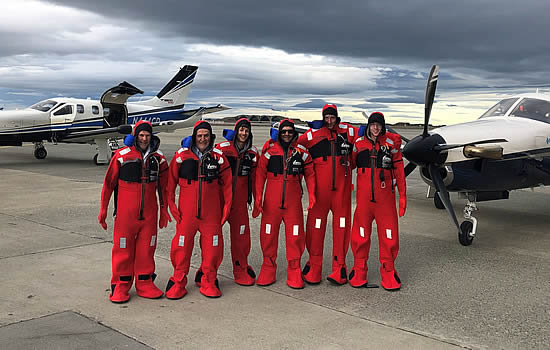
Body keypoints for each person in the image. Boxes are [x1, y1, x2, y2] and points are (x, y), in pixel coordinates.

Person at [98, 120, 171, 303]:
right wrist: (103, 210)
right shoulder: (122, 155)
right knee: (123, 250)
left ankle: (145, 283)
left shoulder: (159, 158)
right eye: (141, 135)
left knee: (147, 249)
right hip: (125, 215)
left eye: (147, 135)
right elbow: (108, 185)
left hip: (149, 214)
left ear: (151, 136)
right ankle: (121, 286)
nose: (144, 139)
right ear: (135, 136)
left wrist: (164, 210)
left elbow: (165, 187)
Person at [165, 120, 232, 298]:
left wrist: (226, 208)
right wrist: (171, 206)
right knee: (182, 246)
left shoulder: (219, 157)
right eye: (199, 136)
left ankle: (209, 280)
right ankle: (178, 281)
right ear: (194, 137)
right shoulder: (181, 156)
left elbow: (228, 186)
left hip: (211, 214)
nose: (203, 139)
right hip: (187, 214)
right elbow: (169, 184)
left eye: (206, 136)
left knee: (213, 247)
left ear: (211, 137)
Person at [298, 104, 358, 285]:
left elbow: (371, 132)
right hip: (320, 195)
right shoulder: (312, 135)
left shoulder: (348, 132)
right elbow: (292, 143)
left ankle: (339, 268)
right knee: (316, 229)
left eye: (332, 118)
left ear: (337, 117)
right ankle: (314, 266)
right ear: (323, 118)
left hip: (341, 194)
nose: (330, 121)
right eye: (327, 118)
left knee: (341, 228)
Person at [252, 119, 316, 289]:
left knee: (295, 235)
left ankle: (294, 269)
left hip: (292, 204)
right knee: (268, 234)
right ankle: (268, 266)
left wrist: (312, 196)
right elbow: (260, 174)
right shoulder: (269, 151)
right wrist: (258, 197)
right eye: (284, 131)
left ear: (294, 133)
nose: (286, 134)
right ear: (279, 133)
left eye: (289, 131)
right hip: (271, 204)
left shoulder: (301, 152)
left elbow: (310, 174)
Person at [348, 112, 406, 290]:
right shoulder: (358, 144)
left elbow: (399, 171)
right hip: (365, 201)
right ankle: (359, 270)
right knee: (360, 236)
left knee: (389, 237)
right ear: (368, 126)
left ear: (383, 127)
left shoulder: (391, 145)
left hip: (385, 201)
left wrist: (402, 196)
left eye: (378, 125)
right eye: (372, 124)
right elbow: (350, 165)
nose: (375, 128)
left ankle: (388, 272)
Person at [215, 118, 258, 285]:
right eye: (241, 130)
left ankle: (240, 268)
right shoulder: (221, 149)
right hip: (219, 201)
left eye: (246, 131)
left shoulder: (252, 153)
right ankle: (207, 270)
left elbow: (255, 179)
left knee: (241, 238)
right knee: (213, 237)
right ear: (236, 131)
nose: (243, 133)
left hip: (240, 203)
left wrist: (256, 201)